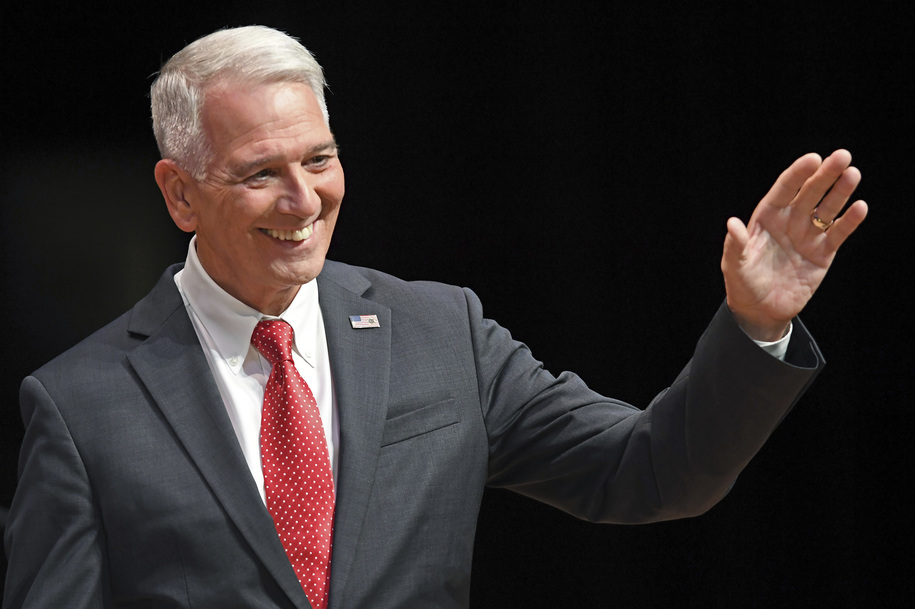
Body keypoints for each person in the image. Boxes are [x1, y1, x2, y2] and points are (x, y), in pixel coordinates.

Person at [3, 25, 867, 609]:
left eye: (320, 159)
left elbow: (650, 470)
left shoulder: (439, 334)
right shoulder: (81, 407)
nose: (303, 200)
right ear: (179, 193)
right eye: (260, 172)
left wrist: (752, 325)